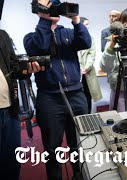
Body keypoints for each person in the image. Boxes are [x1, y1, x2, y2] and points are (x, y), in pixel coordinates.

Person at [23, 0, 92, 179]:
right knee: (52, 149)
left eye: (55, 4)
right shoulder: (30, 38)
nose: (53, 7)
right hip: (49, 99)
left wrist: (75, 19)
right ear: (37, 10)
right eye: (47, 4)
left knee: (80, 142)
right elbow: (40, 46)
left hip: (76, 94)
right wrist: (44, 20)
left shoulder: (69, 33)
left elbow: (85, 42)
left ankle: (80, 175)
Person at [0, 29, 42, 180]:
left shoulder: (2, 35)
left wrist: (26, 69)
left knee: (12, 160)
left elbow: (14, 67)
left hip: (9, 108)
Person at [78, 17, 102, 113]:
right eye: (86, 24)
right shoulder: (72, 36)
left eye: (88, 24)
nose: (88, 26)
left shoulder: (90, 38)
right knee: (77, 98)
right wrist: (79, 68)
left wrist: (86, 67)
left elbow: (92, 54)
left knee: (88, 96)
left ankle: (88, 116)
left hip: (87, 72)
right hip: (76, 73)